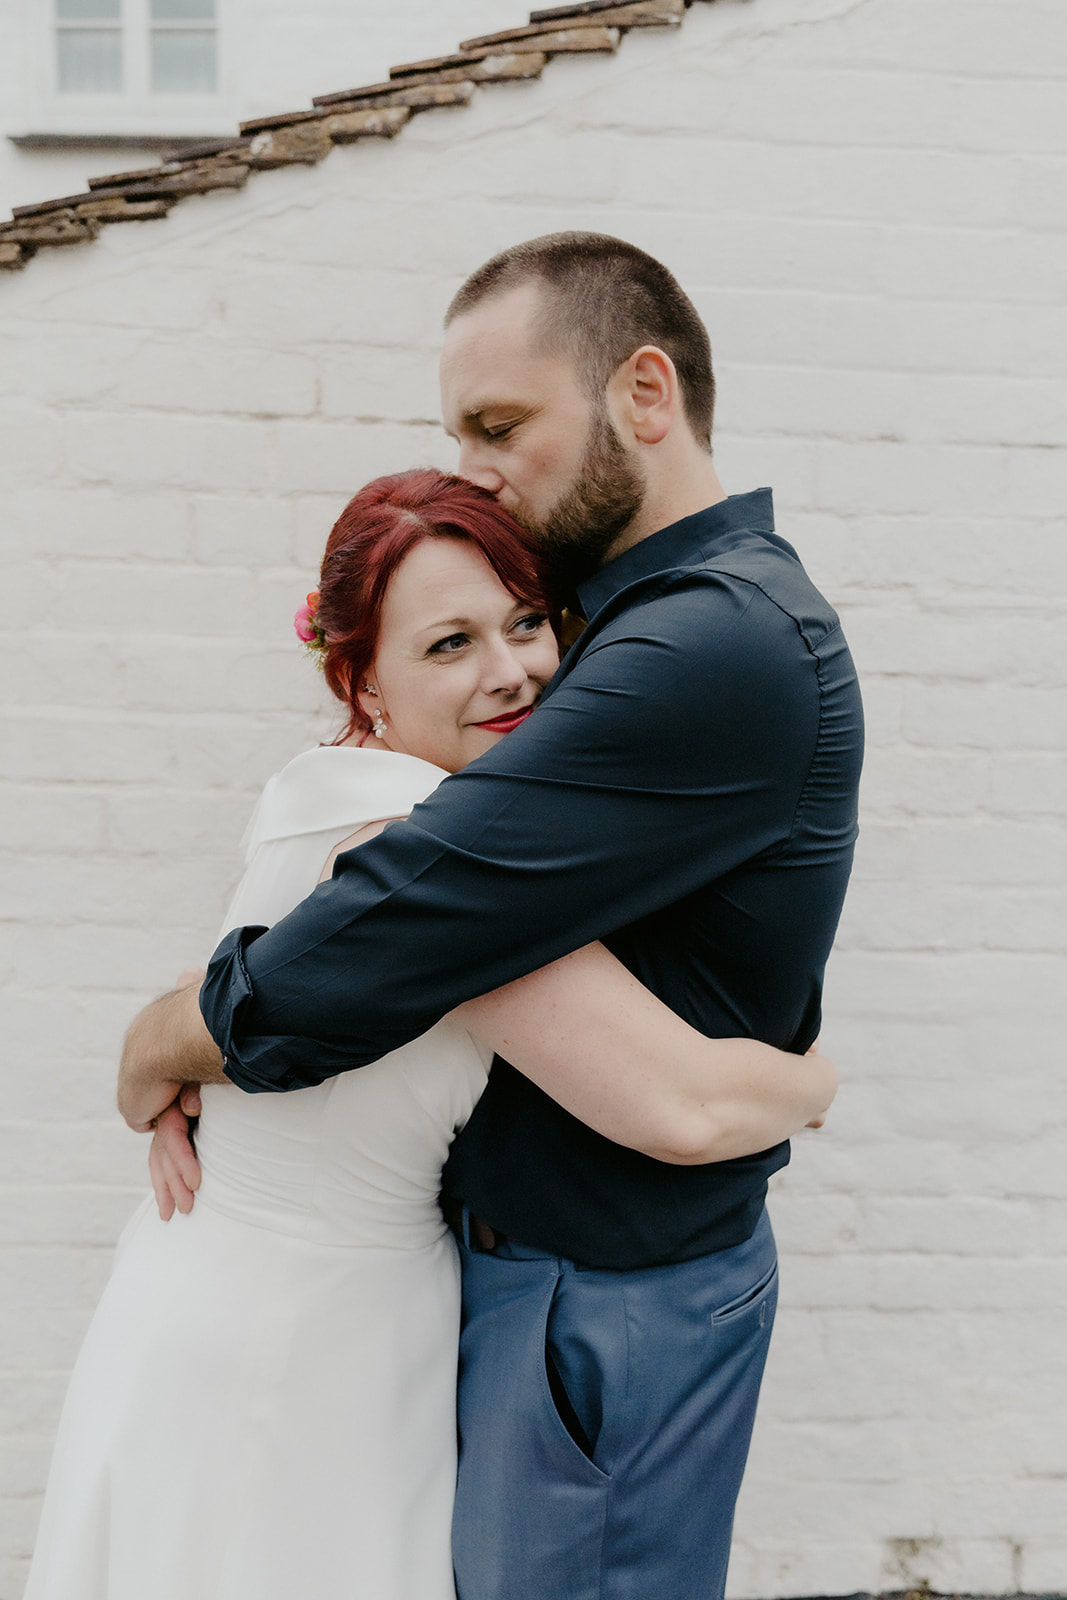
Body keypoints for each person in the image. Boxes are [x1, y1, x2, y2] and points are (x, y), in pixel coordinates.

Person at [122, 233, 864, 1600]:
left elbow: (407, 922)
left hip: (605, 1302)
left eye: (502, 425)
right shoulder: (636, 623)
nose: (475, 468)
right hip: (537, 1285)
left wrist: (169, 1031)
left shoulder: (704, 642)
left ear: (646, 396)